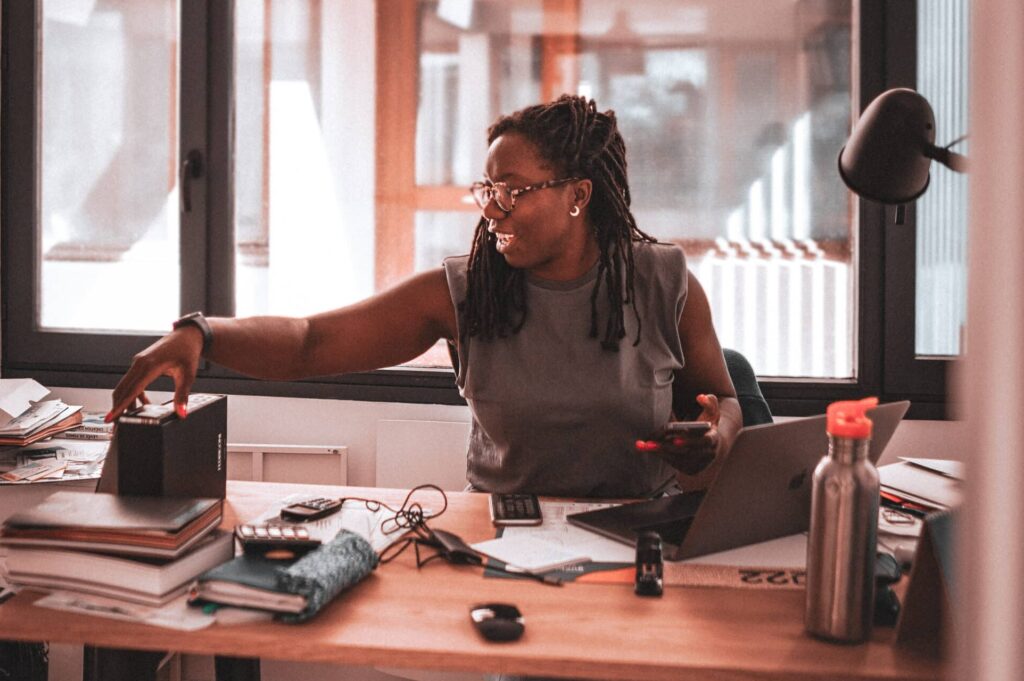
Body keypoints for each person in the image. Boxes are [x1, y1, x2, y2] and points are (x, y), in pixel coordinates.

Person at [108, 95, 741, 498]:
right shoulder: (465, 292)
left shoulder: (664, 284)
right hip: (505, 543)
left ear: (578, 195)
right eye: (486, 188)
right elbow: (310, 342)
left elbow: (727, 404)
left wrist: (714, 434)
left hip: (639, 543)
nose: (492, 208)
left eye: (513, 190)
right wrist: (202, 334)